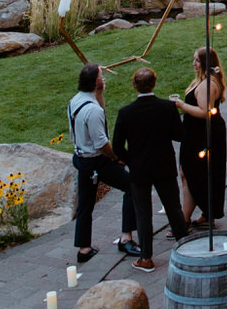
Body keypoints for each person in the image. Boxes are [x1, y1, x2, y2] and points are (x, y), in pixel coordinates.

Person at [112, 66, 189, 273]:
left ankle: (146, 258)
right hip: (164, 165)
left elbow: (117, 147)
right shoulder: (167, 108)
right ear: (154, 83)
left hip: (140, 169)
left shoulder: (126, 113)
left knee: (143, 213)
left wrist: (131, 160)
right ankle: (187, 249)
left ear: (134, 85)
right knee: (173, 207)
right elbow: (180, 135)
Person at [67, 63, 139, 265]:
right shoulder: (93, 112)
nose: (104, 78)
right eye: (101, 76)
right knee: (131, 185)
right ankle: (126, 237)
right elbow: (101, 145)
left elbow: (100, 107)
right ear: (97, 82)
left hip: (81, 158)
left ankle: (84, 248)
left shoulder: (75, 101)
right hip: (95, 161)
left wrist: (100, 92)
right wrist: (116, 157)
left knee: (85, 204)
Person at [173, 47, 227, 228]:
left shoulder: (207, 85)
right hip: (196, 132)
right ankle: (207, 213)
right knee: (197, 173)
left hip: (202, 134)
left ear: (205, 63)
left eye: (197, 60)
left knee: (190, 173)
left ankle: (184, 220)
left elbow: (206, 112)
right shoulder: (205, 80)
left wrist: (181, 105)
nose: (193, 63)